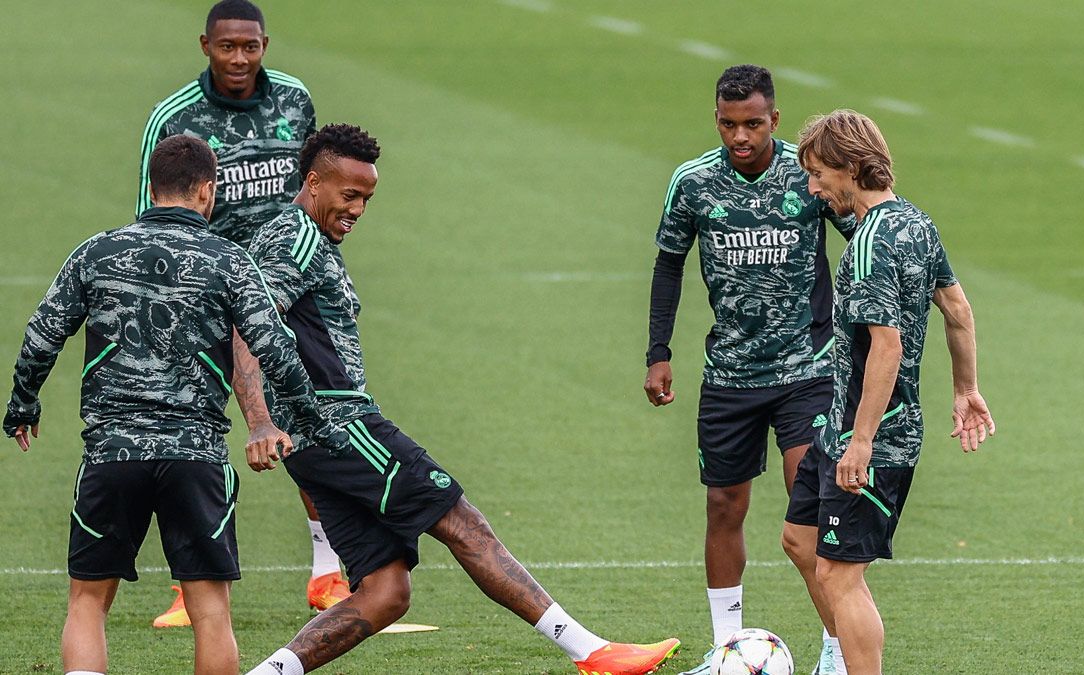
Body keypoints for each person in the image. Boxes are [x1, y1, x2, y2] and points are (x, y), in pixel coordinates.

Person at [237, 123, 680, 675]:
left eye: (367, 198)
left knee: (385, 591)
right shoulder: (296, 237)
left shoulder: (306, 239)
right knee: (462, 523)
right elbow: (246, 328)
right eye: (348, 195)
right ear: (313, 182)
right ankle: (591, 651)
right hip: (339, 426)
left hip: (313, 440)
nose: (358, 209)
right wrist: (257, 421)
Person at [3, 135, 349, 675]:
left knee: (88, 602)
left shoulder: (97, 251)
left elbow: (42, 335)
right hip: (197, 458)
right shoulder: (229, 259)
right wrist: (306, 419)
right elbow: (274, 347)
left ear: (152, 186)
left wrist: (23, 404)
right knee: (210, 611)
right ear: (208, 191)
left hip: (112, 454)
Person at [136, 0, 350, 627]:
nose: (239, 58)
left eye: (250, 47)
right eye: (227, 47)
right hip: (207, 283)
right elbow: (150, 209)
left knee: (312, 411)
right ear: (205, 45)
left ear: (265, 45)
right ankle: (189, 581)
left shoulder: (294, 99)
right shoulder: (173, 118)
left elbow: (320, 182)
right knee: (192, 427)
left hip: (292, 285)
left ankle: (327, 570)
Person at [642, 64, 855, 674]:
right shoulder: (693, 183)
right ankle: (725, 647)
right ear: (716, 119)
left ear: (775, 120)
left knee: (809, 505)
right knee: (724, 506)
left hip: (806, 370)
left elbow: (859, 233)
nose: (741, 136)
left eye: (753, 124)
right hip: (730, 376)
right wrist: (659, 352)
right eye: (730, 124)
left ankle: (839, 648)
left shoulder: (806, 174)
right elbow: (668, 265)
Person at [782, 109, 996, 675]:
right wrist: (966, 388)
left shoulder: (873, 244)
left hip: (869, 436)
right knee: (800, 541)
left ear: (851, 167)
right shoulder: (915, 222)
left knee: (839, 575)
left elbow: (888, 346)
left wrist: (862, 441)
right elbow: (956, 308)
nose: (813, 188)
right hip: (838, 425)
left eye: (818, 174)